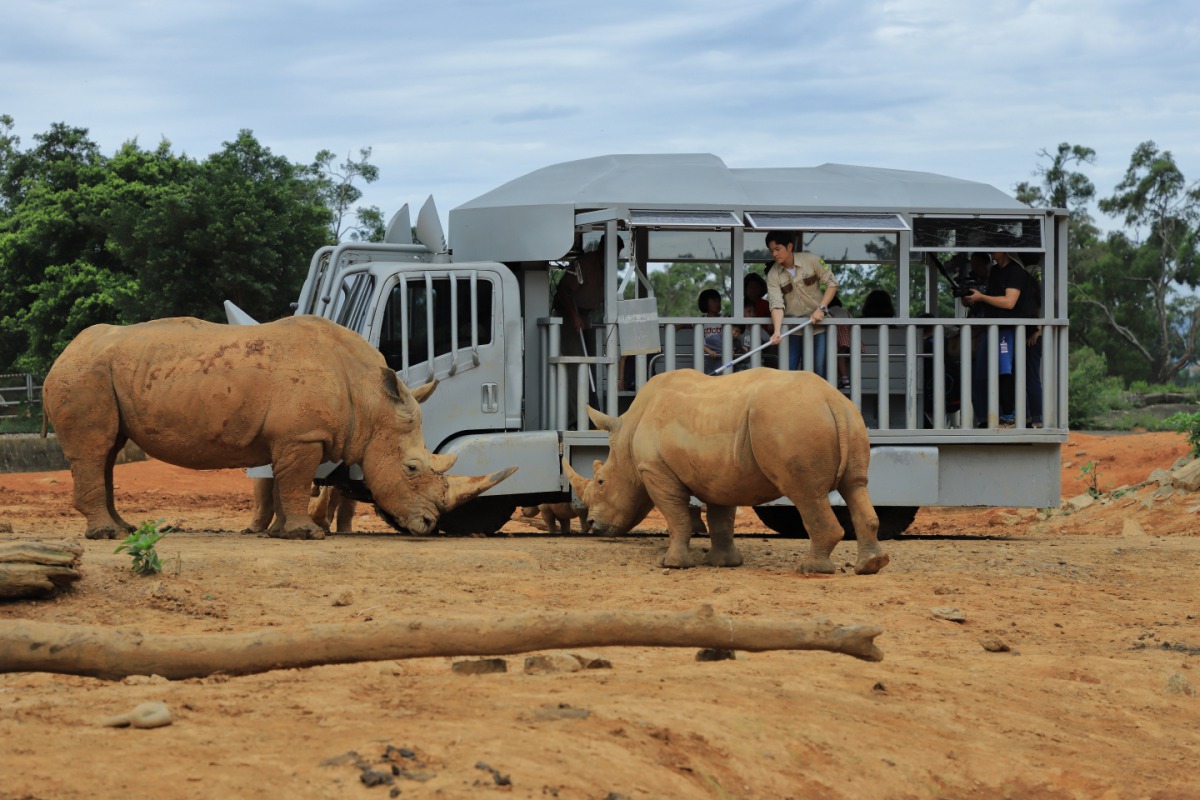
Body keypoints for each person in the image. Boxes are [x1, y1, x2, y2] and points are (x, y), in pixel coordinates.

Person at [554, 234, 623, 418]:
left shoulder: (608, 268)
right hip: (569, 315)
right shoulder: (585, 264)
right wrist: (574, 316)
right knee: (577, 364)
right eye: (613, 250)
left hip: (588, 317)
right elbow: (563, 289)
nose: (615, 255)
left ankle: (592, 412)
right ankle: (576, 417)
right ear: (603, 247)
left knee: (591, 364)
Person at [964, 251, 1030, 427]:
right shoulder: (994, 270)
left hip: (1005, 328)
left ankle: (1009, 415)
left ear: (1005, 249)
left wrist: (981, 297)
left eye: (994, 247)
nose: (991, 251)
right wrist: (973, 299)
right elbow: (991, 298)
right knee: (981, 373)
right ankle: (985, 418)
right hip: (989, 327)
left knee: (1004, 370)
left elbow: (1009, 302)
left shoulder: (1016, 271)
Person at [764, 231, 838, 377]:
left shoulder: (812, 260)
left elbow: (832, 284)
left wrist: (821, 308)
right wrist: (777, 331)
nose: (774, 254)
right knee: (788, 371)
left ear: (789, 246)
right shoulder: (773, 274)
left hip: (819, 327)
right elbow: (776, 304)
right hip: (793, 329)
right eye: (771, 251)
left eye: (778, 249)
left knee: (818, 370)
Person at [824, 295, 853, 390]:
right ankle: (845, 380)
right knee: (842, 357)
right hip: (848, 335)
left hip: (837, 336)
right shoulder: (845, 311)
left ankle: (844, 381)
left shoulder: (829, 311)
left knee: (838, 357)